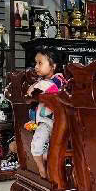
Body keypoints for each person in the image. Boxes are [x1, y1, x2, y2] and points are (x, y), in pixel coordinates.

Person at [27, 49, 64, 178]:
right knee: (37, 147)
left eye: (40, 63)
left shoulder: (58, 79)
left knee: (39, 147)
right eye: (35, 63)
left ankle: (43, 170)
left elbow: (52, 87)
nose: (36, 66)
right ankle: (42, 168)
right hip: (44, 122)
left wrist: (35, 86)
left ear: (53, 66)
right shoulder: (40, 81)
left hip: (54, 122)